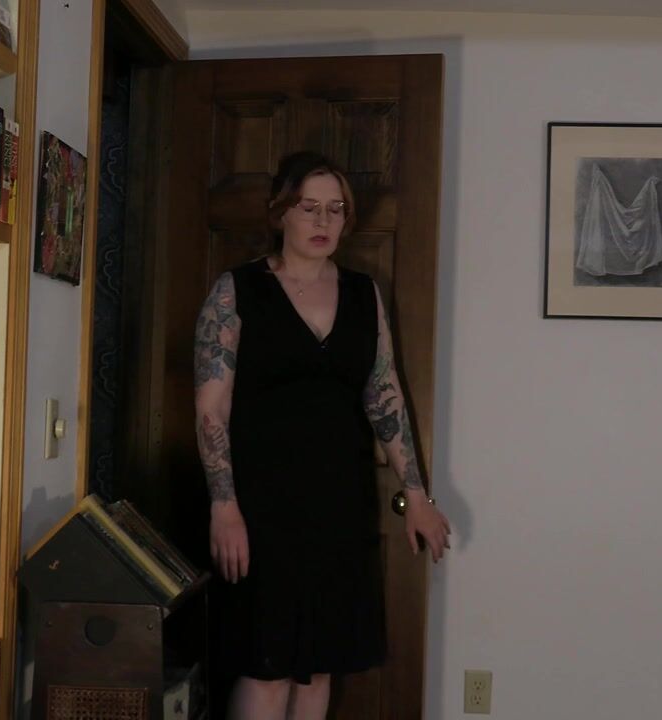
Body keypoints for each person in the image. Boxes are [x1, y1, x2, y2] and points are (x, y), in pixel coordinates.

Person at [193, 151, 451, 720]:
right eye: (309, 206)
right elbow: (212, 409)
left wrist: (417, 497)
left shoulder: (364, 294)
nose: (323, 220)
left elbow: (384, 396)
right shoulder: (237, 291)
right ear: (280, 211)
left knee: (319, 669)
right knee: (266, 669)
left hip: (341, 506)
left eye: (335, 209)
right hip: (260, 507)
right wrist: (224, 506)